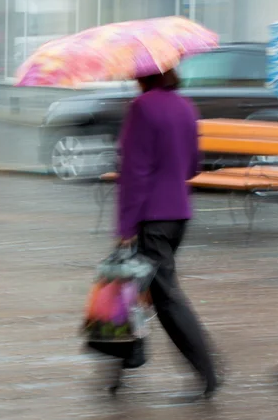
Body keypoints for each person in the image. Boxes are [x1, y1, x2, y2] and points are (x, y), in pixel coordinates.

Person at [118, 68, 219, 398]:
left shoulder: (142, 107)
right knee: (136, 288)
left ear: (143, 76)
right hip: (178, 215)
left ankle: (208, 370)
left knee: (166, 297)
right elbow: (193, 166)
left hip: (152, 217)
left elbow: (135, 173)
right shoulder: (185, 105)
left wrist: (125, 227)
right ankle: (121, 364)